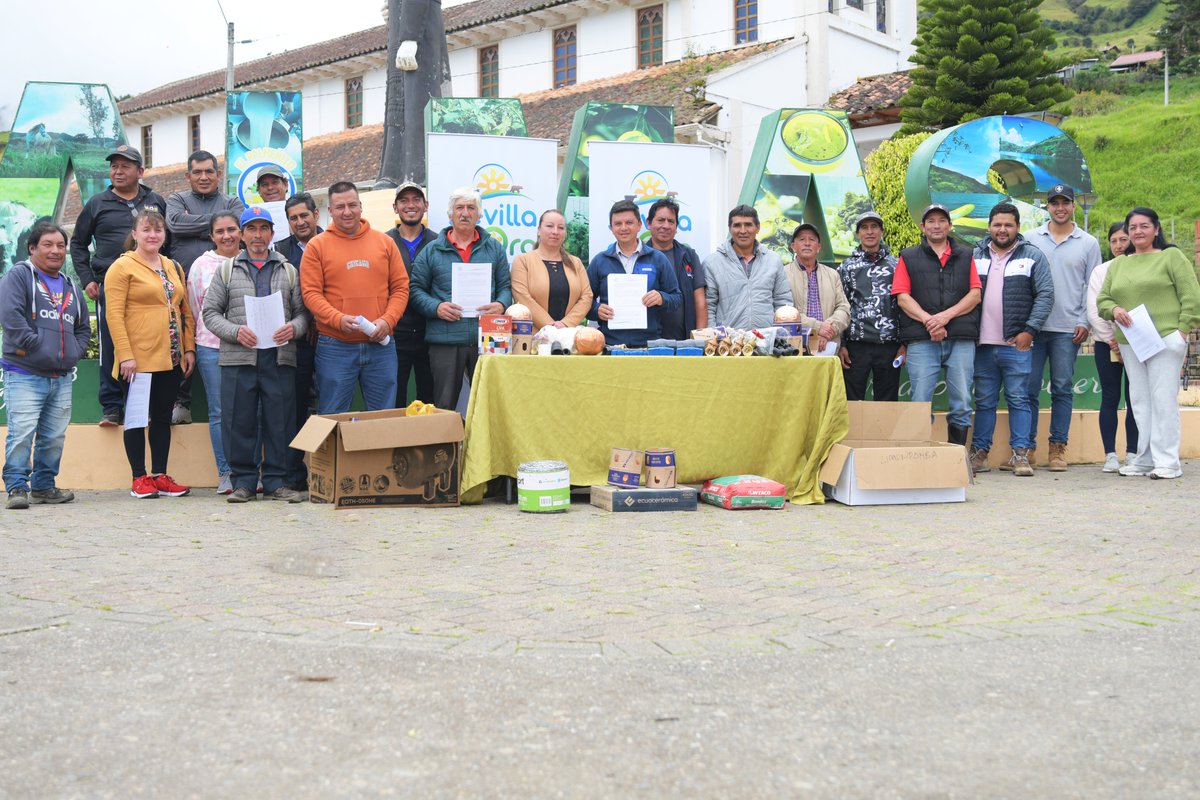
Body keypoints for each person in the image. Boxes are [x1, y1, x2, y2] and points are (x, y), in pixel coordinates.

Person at [202, 207, 308, 504]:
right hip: (239, 358)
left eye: (264, 229)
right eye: (251, 229)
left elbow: (303, 315)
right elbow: (209, 313)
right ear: (242, 235)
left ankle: (276, 482)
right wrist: (236, 332)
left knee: (280, 421)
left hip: (278, 357)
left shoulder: (288, 270)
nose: (258, 235)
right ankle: (244, 483)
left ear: (273, 234)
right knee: (239, 421)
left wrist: (293, 329)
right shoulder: (226, 270)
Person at [1097, 206, 1200, 480]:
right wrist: (1114, 310)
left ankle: (1168, 462)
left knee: (1163, 400)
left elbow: (1191, 295)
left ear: (1156, 229)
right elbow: (1103, 300)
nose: (1138, 231)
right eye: (1133, 227)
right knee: (1140, 400)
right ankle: (1145, 458)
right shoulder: (1119, 263)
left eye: (1144, 226)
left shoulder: (1171, 257)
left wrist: (1182, 331)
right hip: (1132, 341)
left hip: (1166, 338)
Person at [70, 144, 167, 428]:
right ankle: (112, 408)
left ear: (140, 171)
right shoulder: (97, 203)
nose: (118, 171)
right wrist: (87, 278)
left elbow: (165, 242)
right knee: (112, 346)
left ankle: (143, 408)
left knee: (147, 347)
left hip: (149, 287)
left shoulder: (156, 201)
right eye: (114, 166)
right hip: (109, 286)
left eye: (125, 166)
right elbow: (78, 243)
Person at [105, 208, 196, 499]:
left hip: (170, 357)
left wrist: (189, 348)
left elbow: (186, 311)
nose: (152, 235)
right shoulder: (122, 267)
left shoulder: (172, 265)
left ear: (164, 235)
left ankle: (160, 475)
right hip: (138, 360)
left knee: (161, 417)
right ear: (135, 234)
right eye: (146, 230)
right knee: (135, 418)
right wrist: (125, 354)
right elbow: (114, 315)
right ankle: (138, 477)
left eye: (158, 230)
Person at [0, 221, 90, 509]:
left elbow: (83, 328)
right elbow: (11, 318)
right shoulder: (19, 275)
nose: (56, 251)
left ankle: (43, 486)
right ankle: (16, 487)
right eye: (48, 245)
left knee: (53, 437)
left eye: (60, 246)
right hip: (24, 372)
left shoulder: (71, 286)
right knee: (22, 432)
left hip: (61, 375)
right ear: (32, 248)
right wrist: (38, 347)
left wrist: (72, 353)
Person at [300, 181, 409, 414]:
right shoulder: (316, 247)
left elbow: (400, 288)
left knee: (382, 417)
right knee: (332, 417)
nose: (347, 212)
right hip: (335, 347)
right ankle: (333, 454)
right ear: (330, 211)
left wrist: (387, 321)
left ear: (361, 206)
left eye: (352, 205)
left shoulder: (385, 243)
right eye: (340, 207)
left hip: (380, 346)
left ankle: (378, 453)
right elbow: (311, 293)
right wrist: (337, 319)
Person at [967, 203, 1055, 477]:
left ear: (1017, 227)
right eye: (997, 224)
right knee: (984, 402)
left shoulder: (1032, 256)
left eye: (1008, 225)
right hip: (982, 345)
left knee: (1019, 399)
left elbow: (1046, 295)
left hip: (1016, 344)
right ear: (989, 227)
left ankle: (1020, 455)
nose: (1002, 229)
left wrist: (1029, 330)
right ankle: (979, 454)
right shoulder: (974, 256)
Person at [409, 187, 511, 411]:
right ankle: (445, 447)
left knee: (488, 405)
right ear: (450, 214)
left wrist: (501, 304)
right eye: (459, 208)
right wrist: (436, 307)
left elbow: (506, 287)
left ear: (479, 215)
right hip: (445, 341)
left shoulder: (494, 248)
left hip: (487, 339)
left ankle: (482, 447)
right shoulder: (432, 250)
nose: (465, 213)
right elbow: (415, 290)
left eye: (471, 208)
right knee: (443, 406)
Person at [1025, 184, 1102, 471]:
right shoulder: (1031, 238)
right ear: (1047, 206)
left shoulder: (1088, 243)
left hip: (1068, 328)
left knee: (1062, 388)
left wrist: (1085, 320)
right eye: (1054, 202)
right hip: (1032, 327)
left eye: (1065, 203)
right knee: (1028, 389)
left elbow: (1093, 287)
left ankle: (1058, 448)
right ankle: (1026, 447)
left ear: (1073, 206)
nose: (1060, 207)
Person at [165, 150, 245, 425]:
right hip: (182, 285)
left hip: (225, 293)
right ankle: (182, 401)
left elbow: (239, 223)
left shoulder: (232, 200)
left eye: (209, 171)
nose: (203, 177)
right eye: (197, 172)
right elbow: (173, 223)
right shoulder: (177, 200)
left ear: (218, 175)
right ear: (188, 175)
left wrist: (194, 224)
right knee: (183, 341)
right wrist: (217, 221)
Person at [892, 203, 982, 446]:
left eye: (941, 221)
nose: (936, 225)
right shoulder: (908, 256)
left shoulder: (966, 254)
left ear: (949, 225)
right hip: (921, 340)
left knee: (962, 401)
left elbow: (975, 295)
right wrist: (930, 321)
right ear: (922, 227)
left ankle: (956, 458)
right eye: (931, 221)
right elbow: (902, 297)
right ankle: (920, 459)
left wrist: (944, 318)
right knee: (920, 401)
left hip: (960, 339)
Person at [186, 212, 241, 494]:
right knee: (220, 412)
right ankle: (226, 472)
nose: (226, 235)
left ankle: (248, 472)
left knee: (249, 410)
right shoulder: (201, 265)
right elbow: (196, 309)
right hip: (211, 346)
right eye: (220, 231)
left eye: (232, 229)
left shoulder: (251, 259)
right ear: (211, 236)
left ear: (241, 232)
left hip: (248, 347)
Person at [587, 199, 681, 347]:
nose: (623, 228)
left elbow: (676, 298)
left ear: (639, 225)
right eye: (618, 224)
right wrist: (596, 310)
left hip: (649, 345)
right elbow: (584, 300)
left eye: (629, 223)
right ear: (611, 228)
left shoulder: (658, 259)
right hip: (610, 345)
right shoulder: (600, 261)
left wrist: (661, 298)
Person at [276, 193, 323, 491]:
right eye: (293, 218)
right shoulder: (280, 251)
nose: (300, 222)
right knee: (294, 409)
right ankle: (295, 475)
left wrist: (320, 322)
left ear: (316, 215)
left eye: (304, 215)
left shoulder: (333, 241)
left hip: (332, 337)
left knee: (329, 406)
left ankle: (326, 471)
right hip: (296, 342)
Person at [1086, 222, 1139, 473]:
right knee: (1109, 397)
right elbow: (1095, 310)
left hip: (1137, 343)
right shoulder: (1101, 271)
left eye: (1123, 240)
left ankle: (1132, 453)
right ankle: (1109, 454)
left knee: (1135, 398)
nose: (1119, 246)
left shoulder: (1142, 267)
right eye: (1114, 241)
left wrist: (1128, 338)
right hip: (1106, 344)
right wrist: (1112, 340)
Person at [838, 211, 904, 401]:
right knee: (851, 401)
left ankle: (884, 433)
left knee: (887, 402)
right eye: (864, 228)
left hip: (890, 346)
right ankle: (854, 433)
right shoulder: (846, 267)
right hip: (856, 346)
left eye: (874, 227)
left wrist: (904, 343)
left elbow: (904, 305)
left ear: (881, 231)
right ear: (858, 233)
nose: (869, 232)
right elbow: (841, 306)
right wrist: (841, 344)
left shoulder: (897, 265)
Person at [385, 181, 438, 405]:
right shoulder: (384, 242)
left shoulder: (439, 242)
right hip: (396, 334)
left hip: (432, 332)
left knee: (430, 399)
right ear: (395, 207)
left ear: (425, 205)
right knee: (395, 398)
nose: (411, 205)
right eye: (404, 200)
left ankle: (429, 441)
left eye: (416, 200)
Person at [702, 204, 791, 329]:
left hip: (767, 342)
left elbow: (783, 303)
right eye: (737, 225)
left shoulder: (773, 260)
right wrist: (714, 340)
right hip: (728, 344)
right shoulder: (712, 263)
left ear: (758, 227)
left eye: (748, 225)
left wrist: (781, 338)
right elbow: (708, 306)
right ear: (730, 228)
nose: (743, 231)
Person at [510, 209, 592, 332]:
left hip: (568, 339)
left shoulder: (576, 263)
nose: (555, 231)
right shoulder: (523, 261)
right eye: (549, 226)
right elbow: (522, 298)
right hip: (533, 339)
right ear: (539, 230)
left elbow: (587, 297)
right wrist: (551, 327)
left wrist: (566, 324)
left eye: (561, 228)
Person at [784, 222, 850, 352]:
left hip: (828, 346)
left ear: (818, 247)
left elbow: (843, 308)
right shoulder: (783, 274)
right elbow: (785, 312)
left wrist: (828, 331)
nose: (807, 243)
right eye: (802, 239)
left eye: (812, 239)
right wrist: (818, 328)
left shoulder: (832, 274)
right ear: (793, 246)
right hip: (794, 347)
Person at [646, 198, 706, 338]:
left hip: (684, 340)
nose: (666, 226)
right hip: (647, 340)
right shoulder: (639, 256)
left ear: (676, 226)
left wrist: (698, 340)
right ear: (648, 223)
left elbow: (700, 301)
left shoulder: (689, 256)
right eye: (660, 220)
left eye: (671, 221)